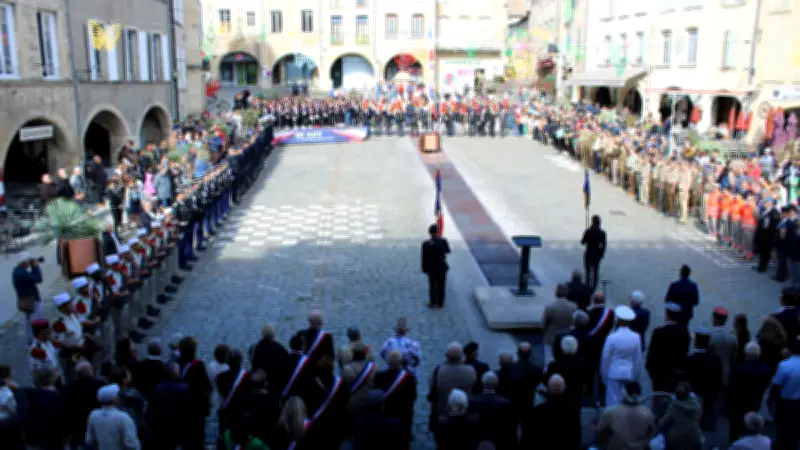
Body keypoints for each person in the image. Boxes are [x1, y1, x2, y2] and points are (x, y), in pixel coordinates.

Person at [725, 342, 771, 443]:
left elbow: (731, 387)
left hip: (738, 401)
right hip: (755, 401)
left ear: (746, 353)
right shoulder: (764, 370)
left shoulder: (738, 368)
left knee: (735, 427)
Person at [600, 305, 643, 407]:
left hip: (613, 372)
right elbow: (637, 358)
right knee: (627, 401)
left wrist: (603, 373)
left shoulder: (612, 337)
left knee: (612, 402)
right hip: (628, 372)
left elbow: (606, 357)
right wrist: (636, 374)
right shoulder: (636, 337)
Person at [595, 382, 656, 450]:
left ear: (623, 393)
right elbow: (651, 435)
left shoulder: (610, 412)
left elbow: (599, 434)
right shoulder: (647, 413)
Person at [85, 383, 141, 450]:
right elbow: (132, 444)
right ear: (115, 399)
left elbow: (89, 440)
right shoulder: (123, 417)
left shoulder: (93, 415)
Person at [769, 337, 800, 450]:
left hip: (785, 403)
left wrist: (770, 400)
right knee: (795, 432)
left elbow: (776, 385)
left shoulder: (785, 365)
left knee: (782, 430)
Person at [659, 381, 703, 450]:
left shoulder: (673, 405)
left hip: (677, 436)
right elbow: (699, 416)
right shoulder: (696, 404)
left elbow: (665, 419)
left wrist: (655, 426)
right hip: (693, 435)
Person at [12, 251, 44, 343]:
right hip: (31, 301)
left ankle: (31, 341)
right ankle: (36, 342)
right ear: (25, 262)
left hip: (26, 301)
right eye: (29, 261)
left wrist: (34, 266)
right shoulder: (21, 273)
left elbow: (32, 278)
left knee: (29, 322)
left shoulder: (17, 270)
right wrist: (36, 267)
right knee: (36, 321)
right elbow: (38, 279)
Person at [543, 284, 578, 367]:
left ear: (556, 293)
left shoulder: (550, 307)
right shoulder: (574, 306)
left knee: (549, 361)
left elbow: (544, 323)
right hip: (567, 336)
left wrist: (544, 332)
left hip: (552, 337)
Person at [421, 224, 451, 308]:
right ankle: (441, 302)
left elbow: (424, 257)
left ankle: (432, 302)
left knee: (432, 285)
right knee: (441, 285)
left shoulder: (425, 244)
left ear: (429, 233)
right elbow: (448, 251)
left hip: (431, 267)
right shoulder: (443, 241)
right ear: (437, 232)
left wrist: (424, 268)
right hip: (441, 266)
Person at [708, 307, 738, 388]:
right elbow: (734, 358)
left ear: (714, 319)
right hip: (726, 375)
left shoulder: (709, 336)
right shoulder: (733, 337)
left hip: (711, 374)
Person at [580, 214, 606, 290]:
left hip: (589, 253)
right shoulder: (602, 233)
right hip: (597, 255)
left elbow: (582, 242)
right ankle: (593, 287)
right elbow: (604, 245)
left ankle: (587, 286)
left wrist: (587, 237)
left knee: (588, 272)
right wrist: (602, 254)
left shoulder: (588, 231)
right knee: (595, 271)